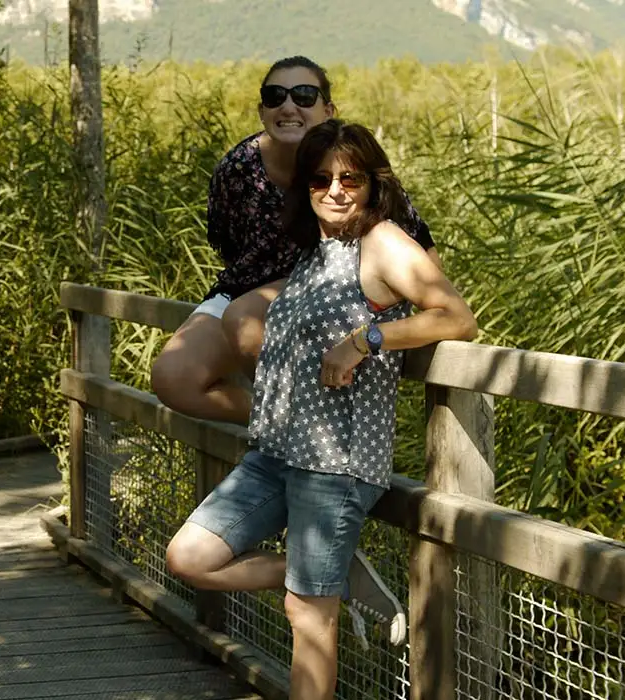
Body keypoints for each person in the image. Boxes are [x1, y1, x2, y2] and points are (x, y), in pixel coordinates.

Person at [164, 119, 478, 700]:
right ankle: (338, 577)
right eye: (320, 178)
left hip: (334, 464)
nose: (335, 189)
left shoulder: (382, 243)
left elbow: (456, 316)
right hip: (276, 455)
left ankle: (324, 582)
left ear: (371, 182)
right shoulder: (315, 249)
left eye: (350, 177)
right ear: (304, 186)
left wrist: (367, 340)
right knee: (188, 557)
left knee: (309, 619)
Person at [150, 56, 439, 425]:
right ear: (262, 110)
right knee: (174, 378)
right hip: (247, 293)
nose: (289, 106)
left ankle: (312, 435)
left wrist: (410, 317)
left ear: (328, 109)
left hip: (334, 290)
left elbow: (420, 247)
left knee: (249, 319)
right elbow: (228, 243)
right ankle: (289, 424)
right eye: (275, 96)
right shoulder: (238, 169)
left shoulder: (352, 164)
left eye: (304, 95)